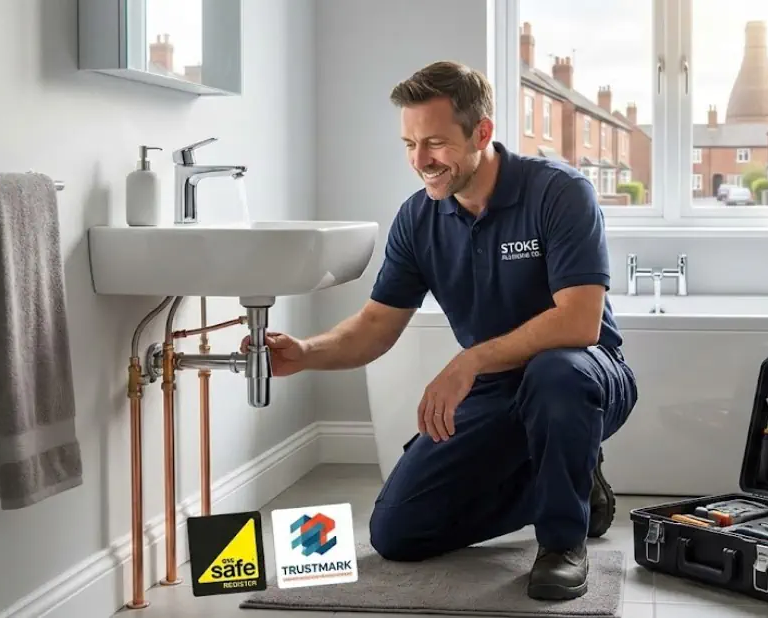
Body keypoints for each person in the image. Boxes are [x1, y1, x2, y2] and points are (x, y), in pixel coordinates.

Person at [243, 60, 637, 601]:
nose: (420, 160)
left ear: (482, 132)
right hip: (499, 390)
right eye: (409, 143)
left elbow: (579, 320)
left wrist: (469, 361)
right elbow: (377, 325)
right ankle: (572, 480)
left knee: (554, 374)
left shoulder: (559, 193)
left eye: (434, 142)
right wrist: (305, 352)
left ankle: (562, 542)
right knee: (397, 532)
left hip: (585, 374)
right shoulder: (418, 219)